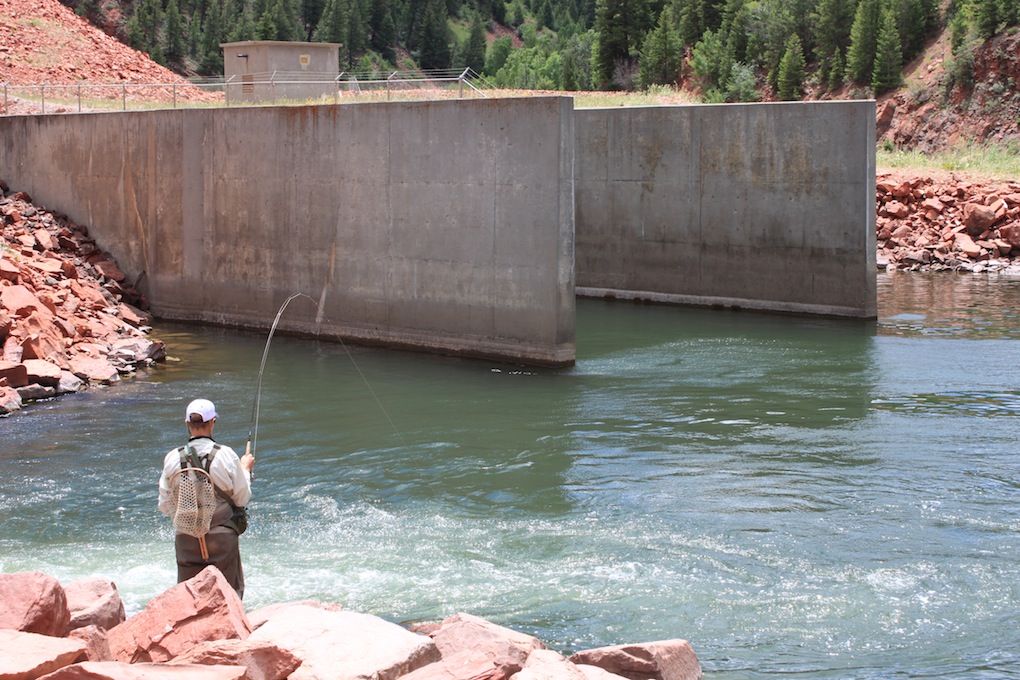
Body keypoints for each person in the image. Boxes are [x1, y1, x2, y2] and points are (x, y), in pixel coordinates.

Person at [158, 398, 255, 598]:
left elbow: (165, 506)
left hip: (186, 538)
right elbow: (241, 498)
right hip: (222, 536)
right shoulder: (226, 455)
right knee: (228, 597)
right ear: (213, 422)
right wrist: (245, 470)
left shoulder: (171, 458)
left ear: (187, 424)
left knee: (189, 598)